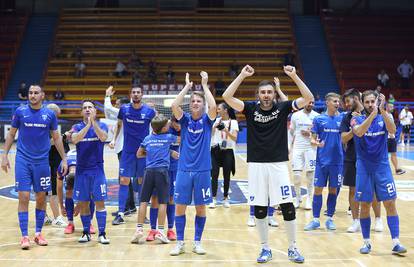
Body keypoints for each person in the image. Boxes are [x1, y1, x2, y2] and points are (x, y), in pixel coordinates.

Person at [223, 65, 313, 263]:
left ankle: (292, 248)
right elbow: (227, 97)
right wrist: (241, 75)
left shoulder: (283, 107)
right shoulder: (249, 108)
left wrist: (294, 76)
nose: (266, 95)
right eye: (263, 92)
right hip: (256, 165)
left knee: (287, 206)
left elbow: (308, 97)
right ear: (258, 94)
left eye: (269, 92)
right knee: (260, 208)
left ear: (274, 94)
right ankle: (265, 248)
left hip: (279, 164)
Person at [1, 85, 68, 249]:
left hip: (42, 163)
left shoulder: (50, 115)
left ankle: (38, 233)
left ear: (42, 95)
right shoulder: (20, 112)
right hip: (23, 161)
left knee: (40, 198)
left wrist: (64, 159)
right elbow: (11, 134)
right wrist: (4, 155)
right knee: (23, 196)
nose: (32, 95)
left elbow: (57, 138)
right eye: (30, 93)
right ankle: (24, 236)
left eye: (36, 93)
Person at [351, 91, 407, 255]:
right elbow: (359, 131)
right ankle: (366, 242)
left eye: (372, 102)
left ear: (377, 101)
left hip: (382, 167)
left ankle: (396, 242)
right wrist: (373, 114)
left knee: (390, 202)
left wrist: (381, 111)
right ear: (362, 103)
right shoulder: (356, 118)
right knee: (365, 205)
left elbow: (393, 129)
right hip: (364, 168)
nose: (370, 104)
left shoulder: (383, 116)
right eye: (367, 102)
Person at [169, 71, 217, 256]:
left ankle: (197, 242)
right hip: (184, 169)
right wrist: (188, 87)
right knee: (180, 206)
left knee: (200, 207)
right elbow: (174, 105)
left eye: (199, 101)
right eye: (193, 101)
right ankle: (180, 242)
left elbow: (213, 106)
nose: (196, 103)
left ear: (202, 105)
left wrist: (205, 85)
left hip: (203, 170)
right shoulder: (185, 120)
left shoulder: (207, 120)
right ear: (190, 105)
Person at [131, 114, 179, 244]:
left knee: (143, 201)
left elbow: (139, 154)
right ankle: (161, 231)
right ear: (163, 128)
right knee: (163, 202)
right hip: (162, 172)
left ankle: (139, 229)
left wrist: (153, 152)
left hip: (148, 171)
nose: (169, 126)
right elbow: (182, 139)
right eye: (167, 125)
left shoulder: (148, 138)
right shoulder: (169, 137)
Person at [112, 86, 156, 225]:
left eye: (138, 92)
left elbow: (157, 128)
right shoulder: (124, 109)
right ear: (130, 94)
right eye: (133, 92)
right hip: (127, 152)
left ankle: (143, 213)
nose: (136, 94)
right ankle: (120, 214)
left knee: (142, 182)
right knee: (124, 180)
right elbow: (119, 125)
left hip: (143, 153)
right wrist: (114, 139)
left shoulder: (149, 112)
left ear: (142, 95)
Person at [71, 100, 110, 244]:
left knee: (100, 202)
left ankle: (102, 233)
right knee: (84, 203)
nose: (87, 110)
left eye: (90, 107)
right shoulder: (76, 127)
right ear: (81, 112)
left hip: (97, 170)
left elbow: (104, 137)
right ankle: (86, 232)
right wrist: (88, 125)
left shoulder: (102, 125)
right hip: (82, 171)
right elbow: (75, 139)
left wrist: (93, 123)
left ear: (95, 110)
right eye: (85, 108)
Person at [304, 93, 343, 232]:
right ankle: (315, 220)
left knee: (333, 190)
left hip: (337, 161)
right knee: (318, 189)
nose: (337, 103)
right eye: (334, 101)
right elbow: (312, 139)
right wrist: (316, 143)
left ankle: (329, 218)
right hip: (322, 161)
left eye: (338, 101)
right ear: (327, 102)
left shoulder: (342, 118)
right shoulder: (319, 119)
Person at [104, 86, 137, 215]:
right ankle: (131, 206)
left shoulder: (126, 112)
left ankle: (127, 207)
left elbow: (108, 109)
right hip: (122, 149)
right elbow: (108, 113)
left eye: (118, 105)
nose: (116, 107)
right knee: (125, 179)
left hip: (125, 149)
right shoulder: (122, 115)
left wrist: (107, 96)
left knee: (123, 179)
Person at [56, 149, 97, 234]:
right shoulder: (62, 168)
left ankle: (89, 223)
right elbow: (59, 188)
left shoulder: (85, 167)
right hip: (74, 162)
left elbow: (90, 192)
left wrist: (79, 205)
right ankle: (70, 223)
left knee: (91, 196)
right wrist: (61, 205)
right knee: (68, 193)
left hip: (89, 165)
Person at [290, 100, 319, 210]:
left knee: (310, 175)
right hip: (298, 148)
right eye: (308, 102)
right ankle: (297, 198)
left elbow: (320, 132)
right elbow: (291, 131)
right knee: (296, 175)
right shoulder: (295, 115)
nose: (310, 104)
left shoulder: (317, 116)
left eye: (312, 103)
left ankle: (309, 199)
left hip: (311, 148)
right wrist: (289, 146)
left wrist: (310, 134)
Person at [209, 103, 239, 209]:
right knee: (214, 175)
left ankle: (226, 198)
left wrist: (225, 130)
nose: (217, 111)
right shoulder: (217, 120)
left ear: (225, 110)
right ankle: (213, 199)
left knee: (227, 175)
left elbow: (235, 138)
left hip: (228, 151)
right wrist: (215, 127)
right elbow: (211, 134)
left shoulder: (234, 122)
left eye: (219, 109)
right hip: (215, 150)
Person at [46, 103, 70, 228]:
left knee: (45, 192)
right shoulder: (45, 126)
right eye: (56, 116)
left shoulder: (51, 126)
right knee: (51, 192)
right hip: (48, 163)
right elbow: (49, 142)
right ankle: (57, 218)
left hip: (52, 161)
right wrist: (63, 136)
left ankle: (44, 217)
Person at [386, 104, 406, 175]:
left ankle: (397, 169)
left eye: (392, 107)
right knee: (384, 155)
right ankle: (383, 170)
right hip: (386, 138)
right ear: (387, 107)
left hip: (392, 138)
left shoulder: (391, 115)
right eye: (390, 106)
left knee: (394, 154)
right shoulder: (384, 115)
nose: (392, 108)